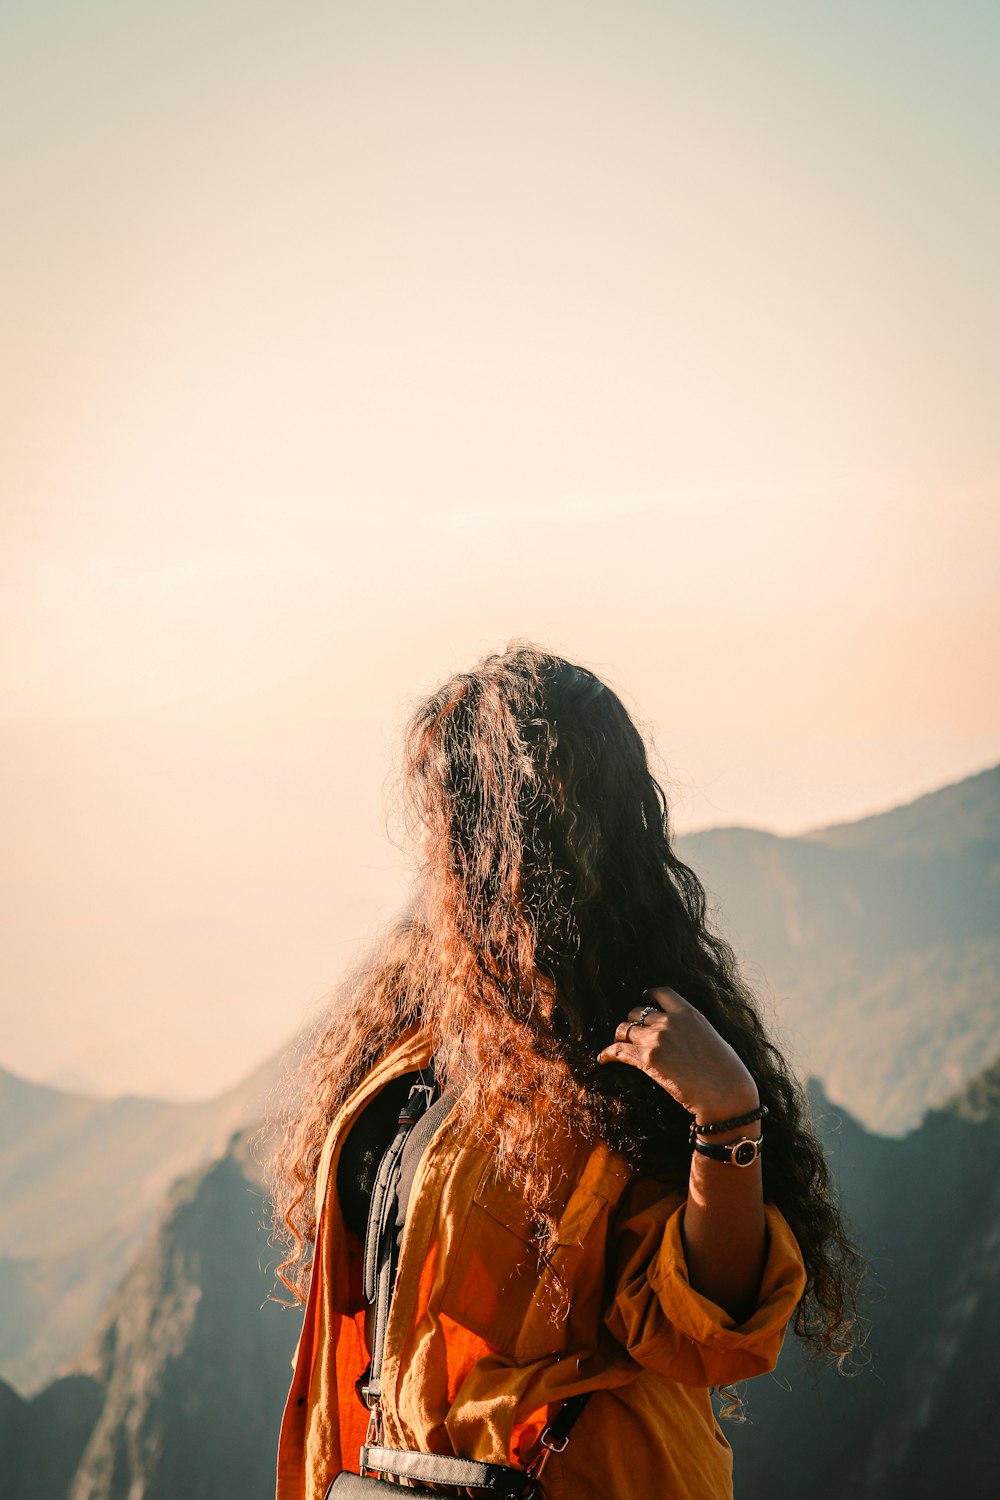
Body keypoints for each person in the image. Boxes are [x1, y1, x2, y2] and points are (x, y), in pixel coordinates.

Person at [269, 642, 862, 1500]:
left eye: (452, 815)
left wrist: (726, 1117)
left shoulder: (632, 1044)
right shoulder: (422, 1023)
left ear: (504, 834)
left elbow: (707, 1332)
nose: (433, 846)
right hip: (400, 1478)